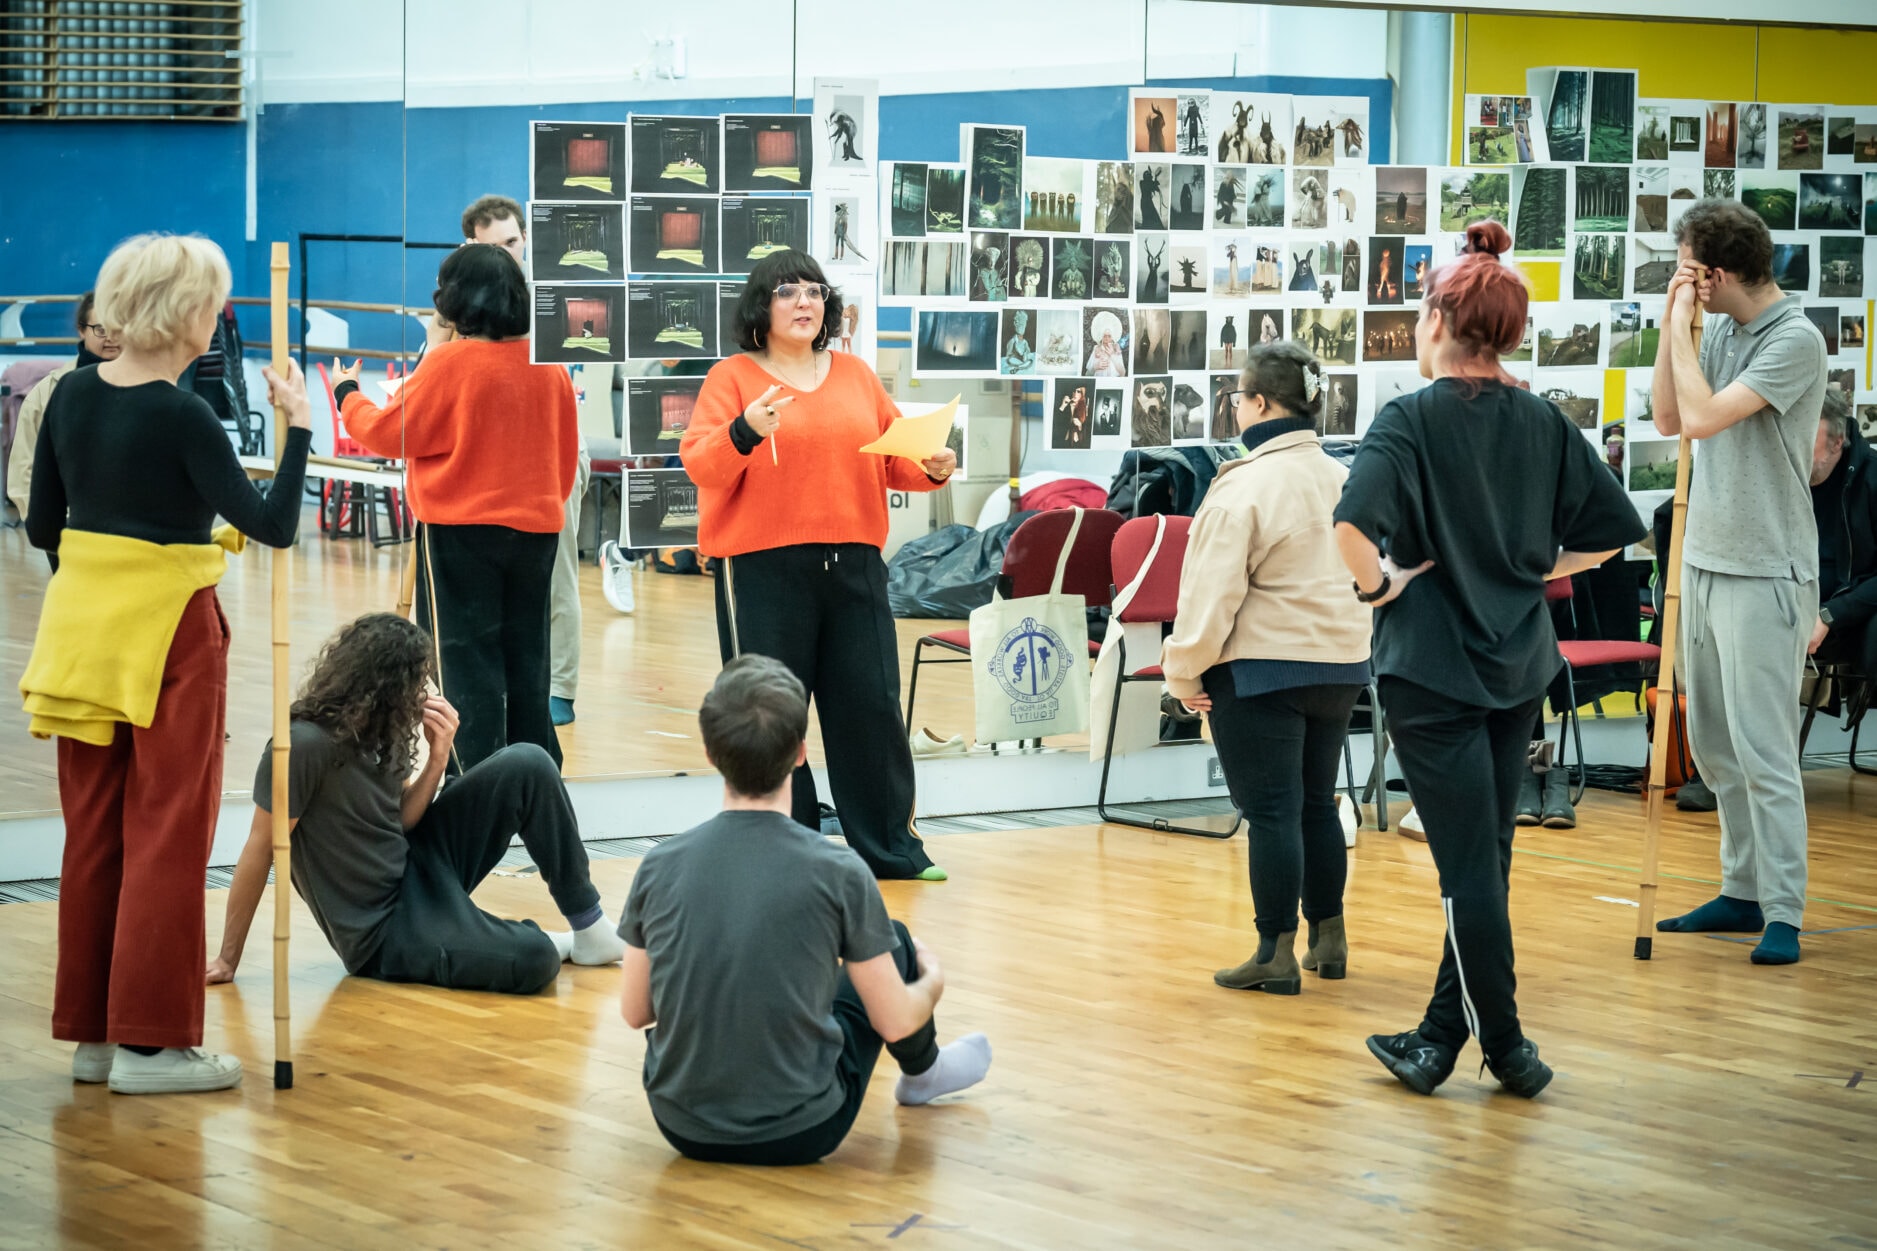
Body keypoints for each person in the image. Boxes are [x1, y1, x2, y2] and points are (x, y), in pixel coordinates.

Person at [1333, 221, 1643, 1099]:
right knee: (1484, 857)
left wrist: (1378, 587)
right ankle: (1437, 1037)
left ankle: (1503, 1045)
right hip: (1517, 670)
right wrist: (1528, 567)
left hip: (1431, 672)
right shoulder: (1543, 419)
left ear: (1437, 317)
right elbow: (1609, 537)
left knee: (1472, 863)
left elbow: (1350, 529)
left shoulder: (1410, 416)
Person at [23, 233, 311, 1094]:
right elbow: (274, 523)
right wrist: (297, 426)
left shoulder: (68, 395)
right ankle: (153, 1043)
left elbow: (44, 528)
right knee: (167, 831)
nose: (219, 315)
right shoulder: (184, 414)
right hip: (171, 635)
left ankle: (94, 1037)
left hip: (82, 633)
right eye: (214, 301)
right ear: (189, 315)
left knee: (95, 832)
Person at [619, 656, 991, 1165]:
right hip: (804, 1128)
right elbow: (896, 1021)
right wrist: (933, 983)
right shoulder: (839, 870)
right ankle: (925, 1074)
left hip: (682, 1126)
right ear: (800, 753)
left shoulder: (657, 866)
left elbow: (636, 1011)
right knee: (898, 941)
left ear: (709, 754)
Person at [680, 250, 953, 881]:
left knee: (871, 706)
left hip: (854, 562)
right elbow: (701, 465)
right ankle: (784, 847)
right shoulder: (733, 379)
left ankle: (892, 849)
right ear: (760, 307)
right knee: (771, 713)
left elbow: (894, 456)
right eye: (787, 292)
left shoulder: (856, 375)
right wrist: (745, 430)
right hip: (761, 569)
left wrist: (931, 466)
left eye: (813, 292)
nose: (804, 303)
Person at [207, 614, 623, 995]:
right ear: (388, 688)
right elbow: (259, 849)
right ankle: (532, 940)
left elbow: (401, 822)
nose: (425, 693)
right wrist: (228, 957)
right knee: (536, 959)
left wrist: (437, 759)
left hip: (416, 870)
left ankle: (588, 925)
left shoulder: (384, 730)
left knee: (528, 761)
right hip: (383, 931)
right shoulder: (302, 745)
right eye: (418, 683)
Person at [1650, 198, 1827, 966]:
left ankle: (1782, 910)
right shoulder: (1715, 328)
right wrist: (1672, 328)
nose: (1684, 278)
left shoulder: (1794, 339)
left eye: (1688, 265)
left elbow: (1703, 418)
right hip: (1703, 561)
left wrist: (1683, 333)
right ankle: (1740, 887)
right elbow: (1665, 415)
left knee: (1764, 751)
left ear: (1715, 272)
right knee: (1716, 746)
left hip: (1765, 566)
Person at [1163, 342, 1371, 993]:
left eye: (1235, 396)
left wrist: (1181, 673)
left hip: (1259, 673)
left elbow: (1208, 596)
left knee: (1272, 812)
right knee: (1315, 804)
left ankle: (1273, 951)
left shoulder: (1243, 485)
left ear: (1256, 402)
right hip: (1340, 668)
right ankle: (1328, 938)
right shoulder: (1346, 477)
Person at [338, 244, 579, 773]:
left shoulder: (451, 362)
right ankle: (536, 774)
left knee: (463, 662)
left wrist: (346, 393)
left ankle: (475, 778)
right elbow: (564, 466)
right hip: (536, 532)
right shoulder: (551, 366)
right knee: (527, 660)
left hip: (460, 532)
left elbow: (386, 432)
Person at [429, 195, 593, 726]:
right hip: (498, 473)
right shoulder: (466, 307)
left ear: (525, 239)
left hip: (547, 455)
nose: (506, 253)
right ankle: (517, 717)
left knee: (555, 581)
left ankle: (558, 693)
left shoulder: (547, 301)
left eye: (512, 242)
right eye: (491, 246)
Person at [7, 291, 122, 536]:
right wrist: (48, 525)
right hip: (67, 530)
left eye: (119, 328)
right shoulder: (47, 391)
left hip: (131, 534)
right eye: (101, 329)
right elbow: (22, 468)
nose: (111, 338)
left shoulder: (149, 387)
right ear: (82, 329)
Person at [1808, 391, 1877, 677]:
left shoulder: (1872, 477)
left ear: (1837, 441)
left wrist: (1829, 614)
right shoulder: (1782, 476)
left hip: (1854, 608)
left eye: (1808, 438)